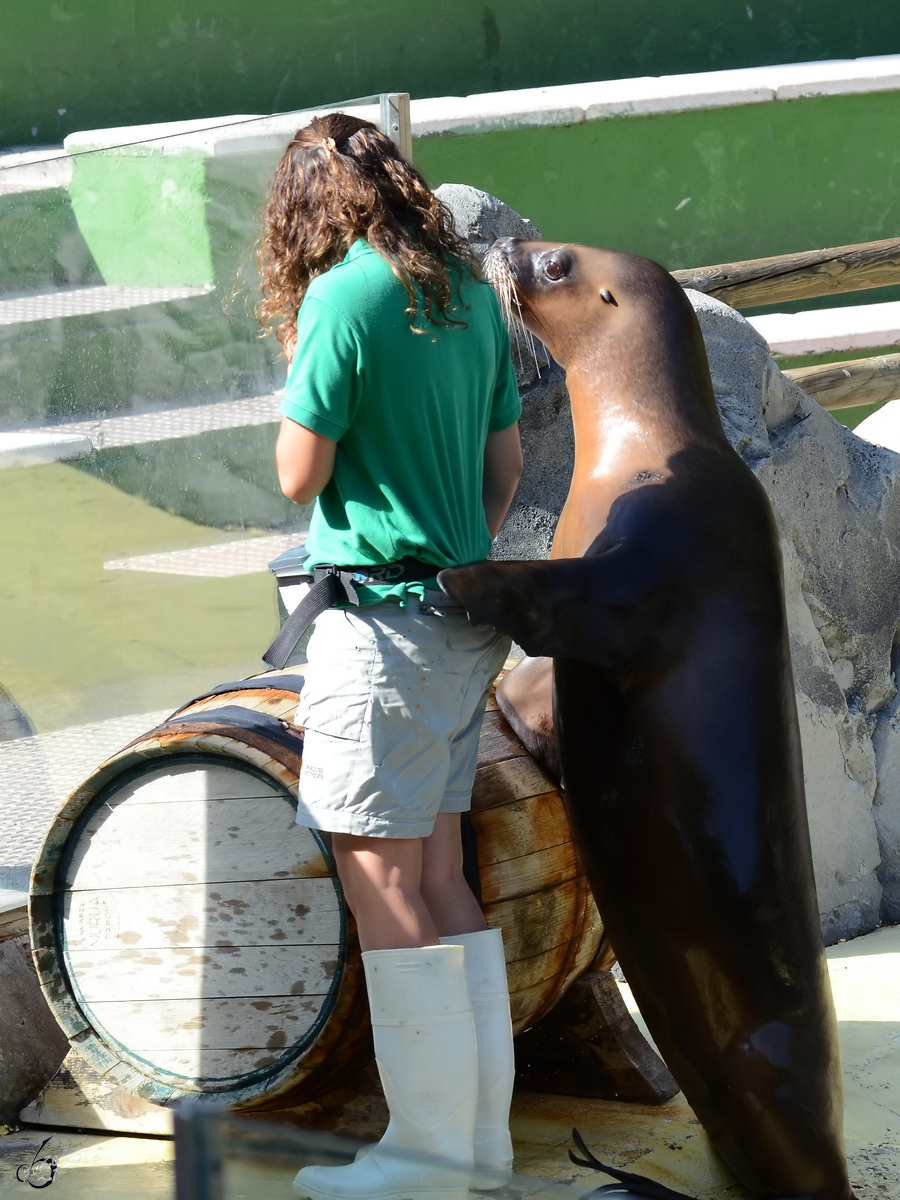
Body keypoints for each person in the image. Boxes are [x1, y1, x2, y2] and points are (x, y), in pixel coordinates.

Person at [257, 112, 524, 1200]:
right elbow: (502, 468)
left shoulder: (343, 298)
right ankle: (478, 1151)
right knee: (442, 878)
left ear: (309, 205)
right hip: (464, 616)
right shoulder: (465, 298)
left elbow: (296, 476)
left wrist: (302, 371)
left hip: (379, 630)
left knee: (381, 886)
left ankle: (422, 1158)